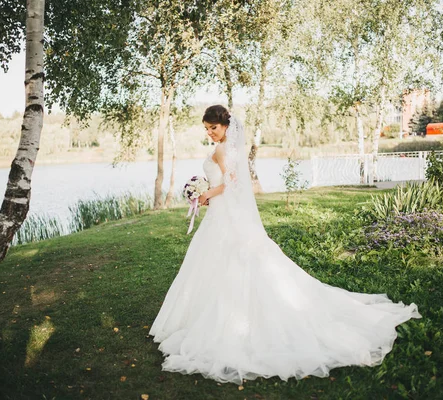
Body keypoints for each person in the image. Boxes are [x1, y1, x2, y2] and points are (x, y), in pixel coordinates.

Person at [149, 105, 420, 384]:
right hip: (225, 214)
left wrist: (205, 194)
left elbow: (229, 185)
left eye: (213, 128)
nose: (209, 133)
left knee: (225, 261)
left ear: (226, 126)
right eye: (206, 129)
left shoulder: (222, 151)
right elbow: (234, 183)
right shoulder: (230, 150)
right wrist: (207, 193)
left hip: (223, 213)